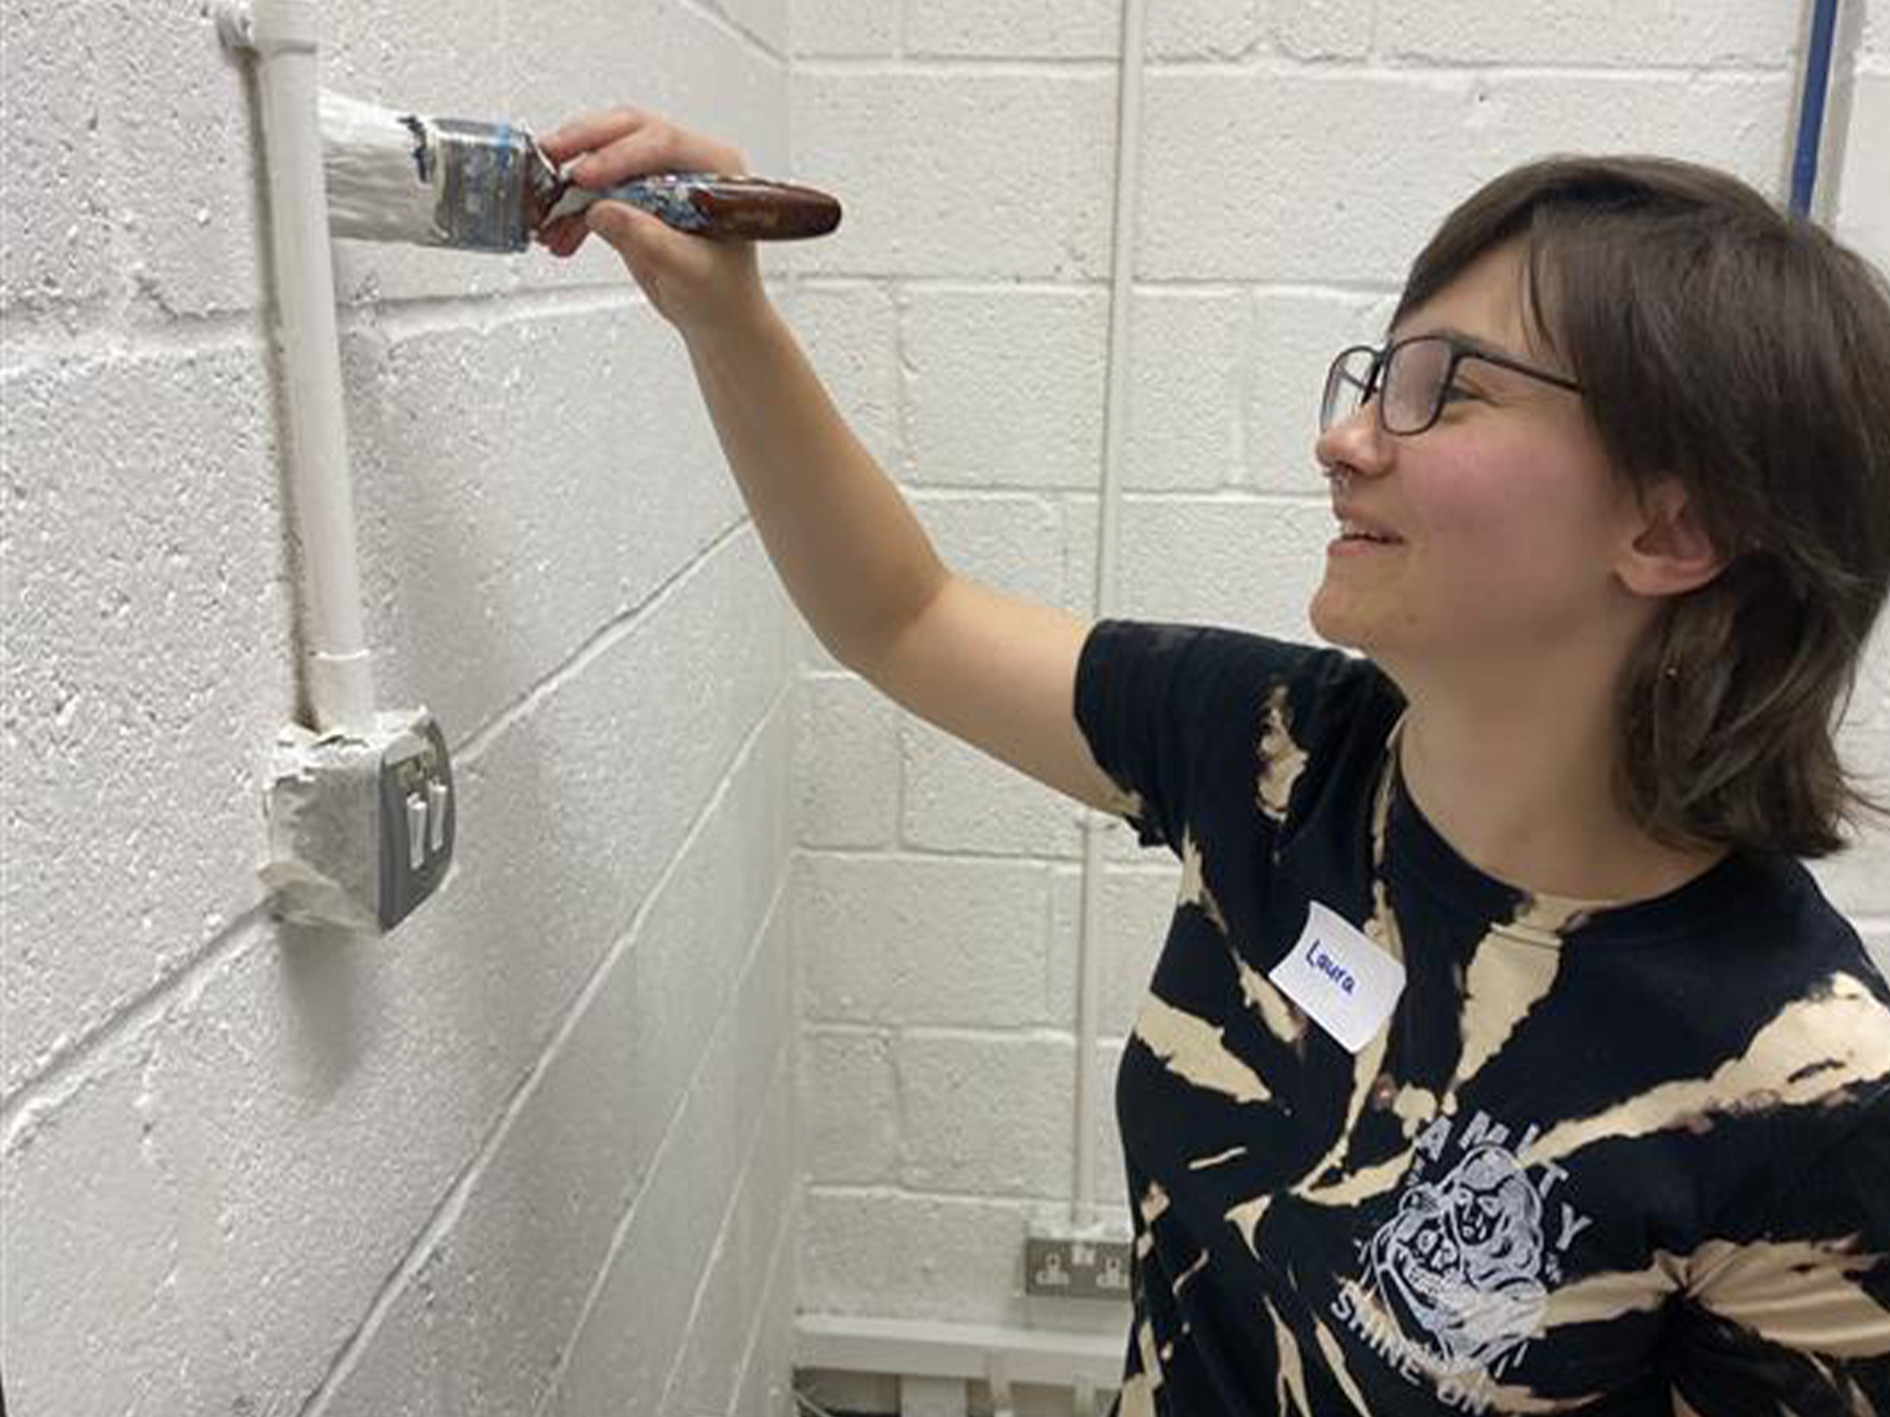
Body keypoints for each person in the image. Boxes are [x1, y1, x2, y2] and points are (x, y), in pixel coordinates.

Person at [537, 109, 1890, 1414]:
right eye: (1377, 376)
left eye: (1443, 393)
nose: (1345, 439)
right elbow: (902, 617)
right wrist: (727, 318)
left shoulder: (1808, 1097)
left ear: (1670, 530)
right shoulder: (1280, 757)